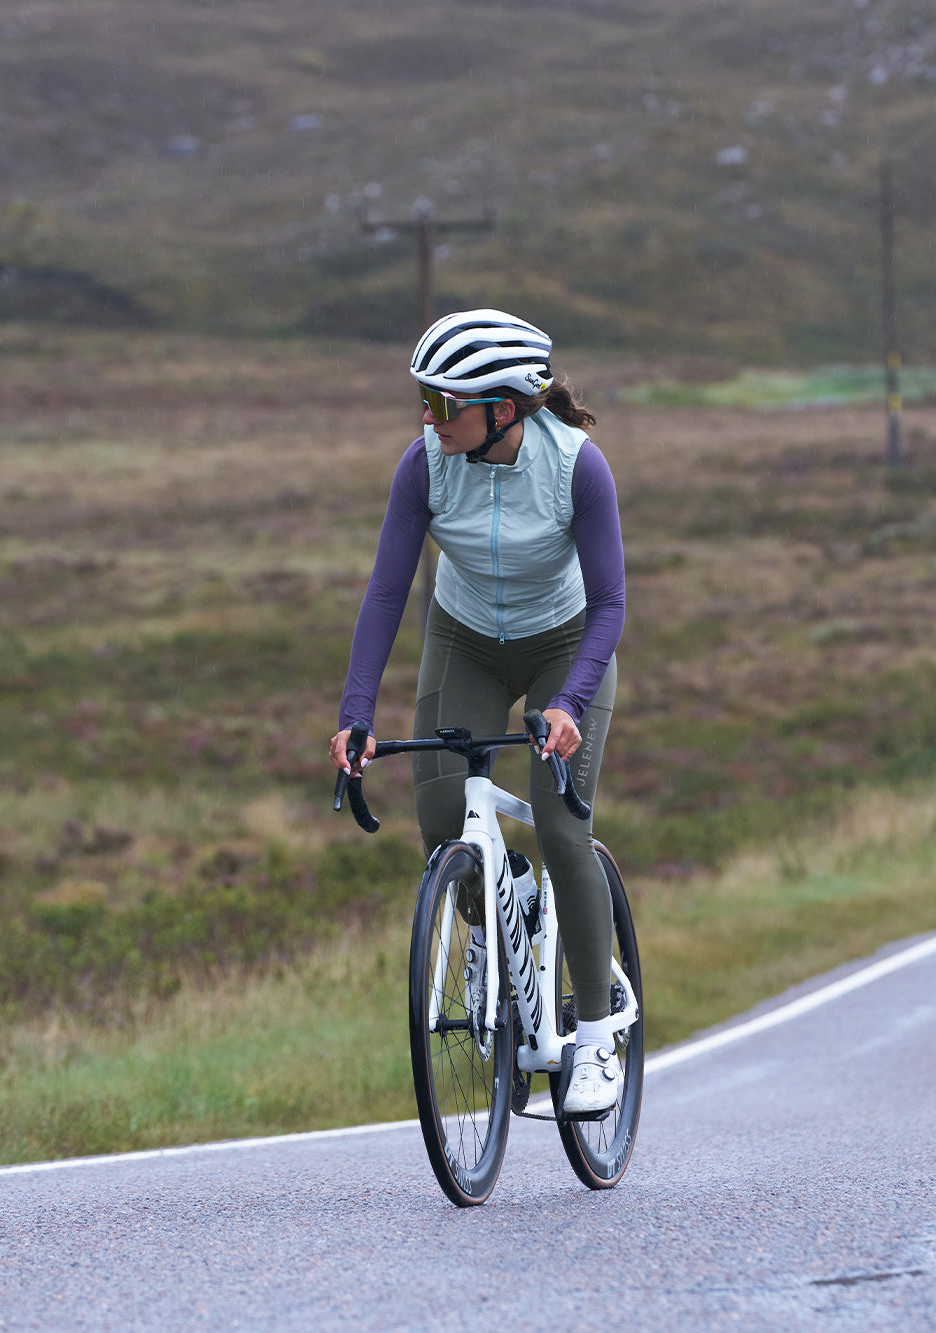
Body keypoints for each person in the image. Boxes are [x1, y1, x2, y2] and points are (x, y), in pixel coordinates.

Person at [328, 308, 626, 1115]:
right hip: (465, 640)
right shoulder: (424, 464)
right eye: (422, 400)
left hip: (565, 642)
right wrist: (356, 711)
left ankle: (594, 1036)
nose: (428, 418)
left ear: (503, 407)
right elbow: (386, 592)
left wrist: (568, 703)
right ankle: (502, 904)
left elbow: (609, 604)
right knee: (439, 822)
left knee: (561, 828)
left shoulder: (576, 466)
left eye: (443, 403)